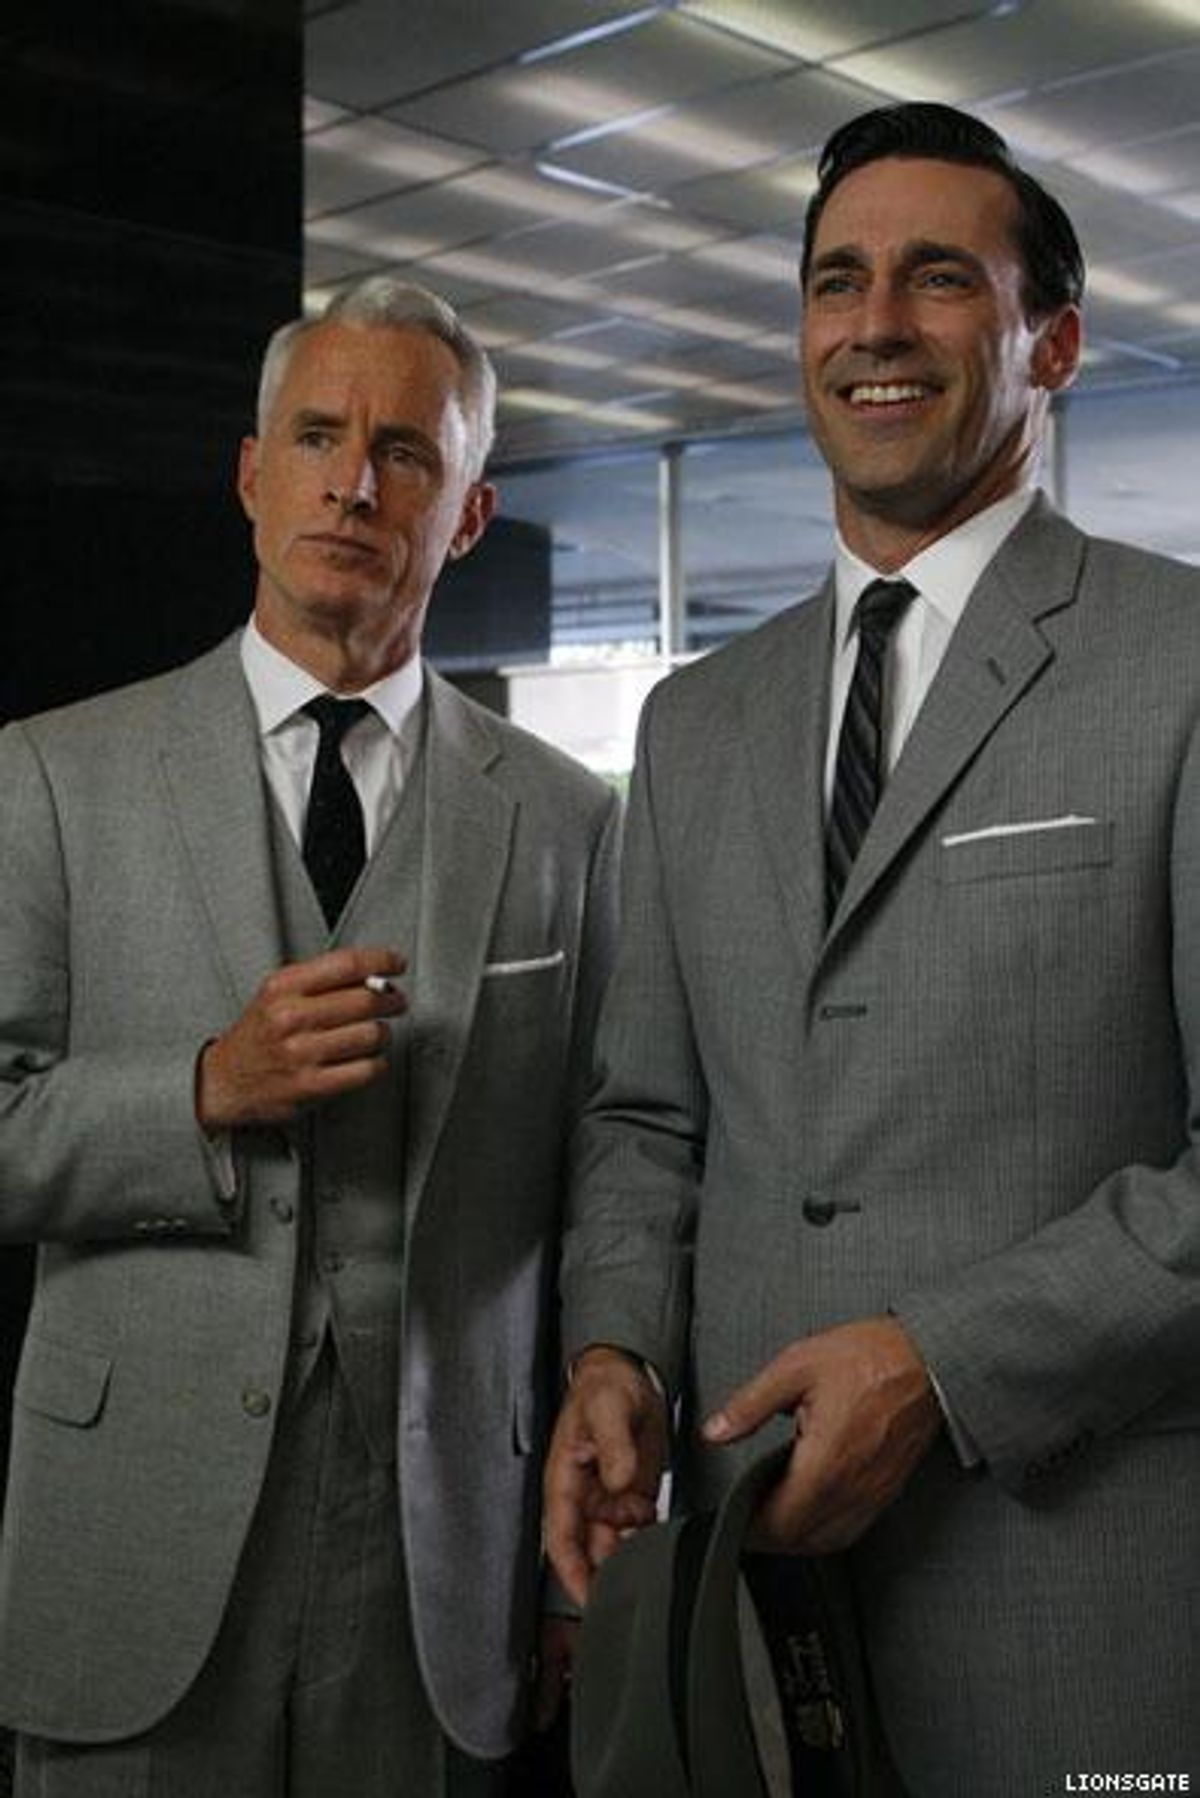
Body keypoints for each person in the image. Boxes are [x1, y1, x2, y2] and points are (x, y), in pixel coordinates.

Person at [545, 102, 1200, 1793]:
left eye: (939, 279)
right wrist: (614, 1350)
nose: (876, 324)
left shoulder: (1180, 662)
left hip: (1084, 1613)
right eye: (837, 282)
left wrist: (940, 1361)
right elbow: (646, 1118)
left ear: (1054, 344)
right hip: (755, 1614)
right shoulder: (694, 722)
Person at [0, 276, 618, 1796]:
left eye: (406, 453)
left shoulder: (569, 822)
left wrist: (574, 1555)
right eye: (319, 437)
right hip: (132, 1540)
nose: (354, 485)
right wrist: (205, 1090)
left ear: (467, 516)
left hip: (440, 1570)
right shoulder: (56, 776)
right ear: (250, 474)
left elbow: (611, 1172)